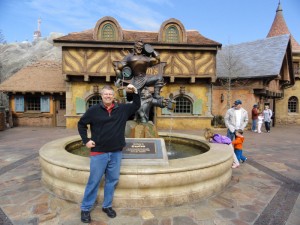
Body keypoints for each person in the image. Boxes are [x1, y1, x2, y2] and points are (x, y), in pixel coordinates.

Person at [77, 84, 141, 223]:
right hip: (99, 152)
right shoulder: (94, 110)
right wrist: (86, 140)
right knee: (94, 181)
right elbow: (81, 124)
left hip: (116, 152)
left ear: (113, 96)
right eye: (105, 94)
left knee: (112, 181)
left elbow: (136, 105)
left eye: (110, 94)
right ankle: (86, 209)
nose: (108, 96)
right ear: (101, 96)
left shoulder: (122, 109)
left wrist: (135, 91)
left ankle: (107, 206)